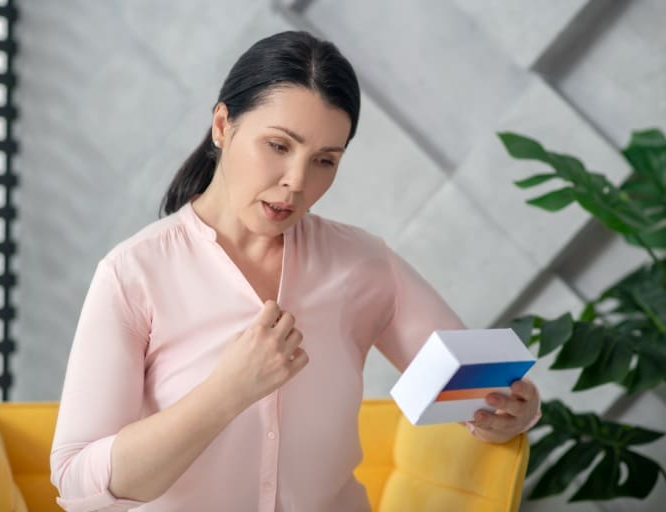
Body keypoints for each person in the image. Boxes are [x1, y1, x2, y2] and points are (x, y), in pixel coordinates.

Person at [49, 30, 541, 512]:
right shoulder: (134, 273)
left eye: (325, 160)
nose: (297, 182)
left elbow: (478, 388)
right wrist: (227, 392)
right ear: (223, 125)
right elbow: (76, 486)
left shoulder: (363, 263)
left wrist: (514, 411)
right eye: (279, 146)